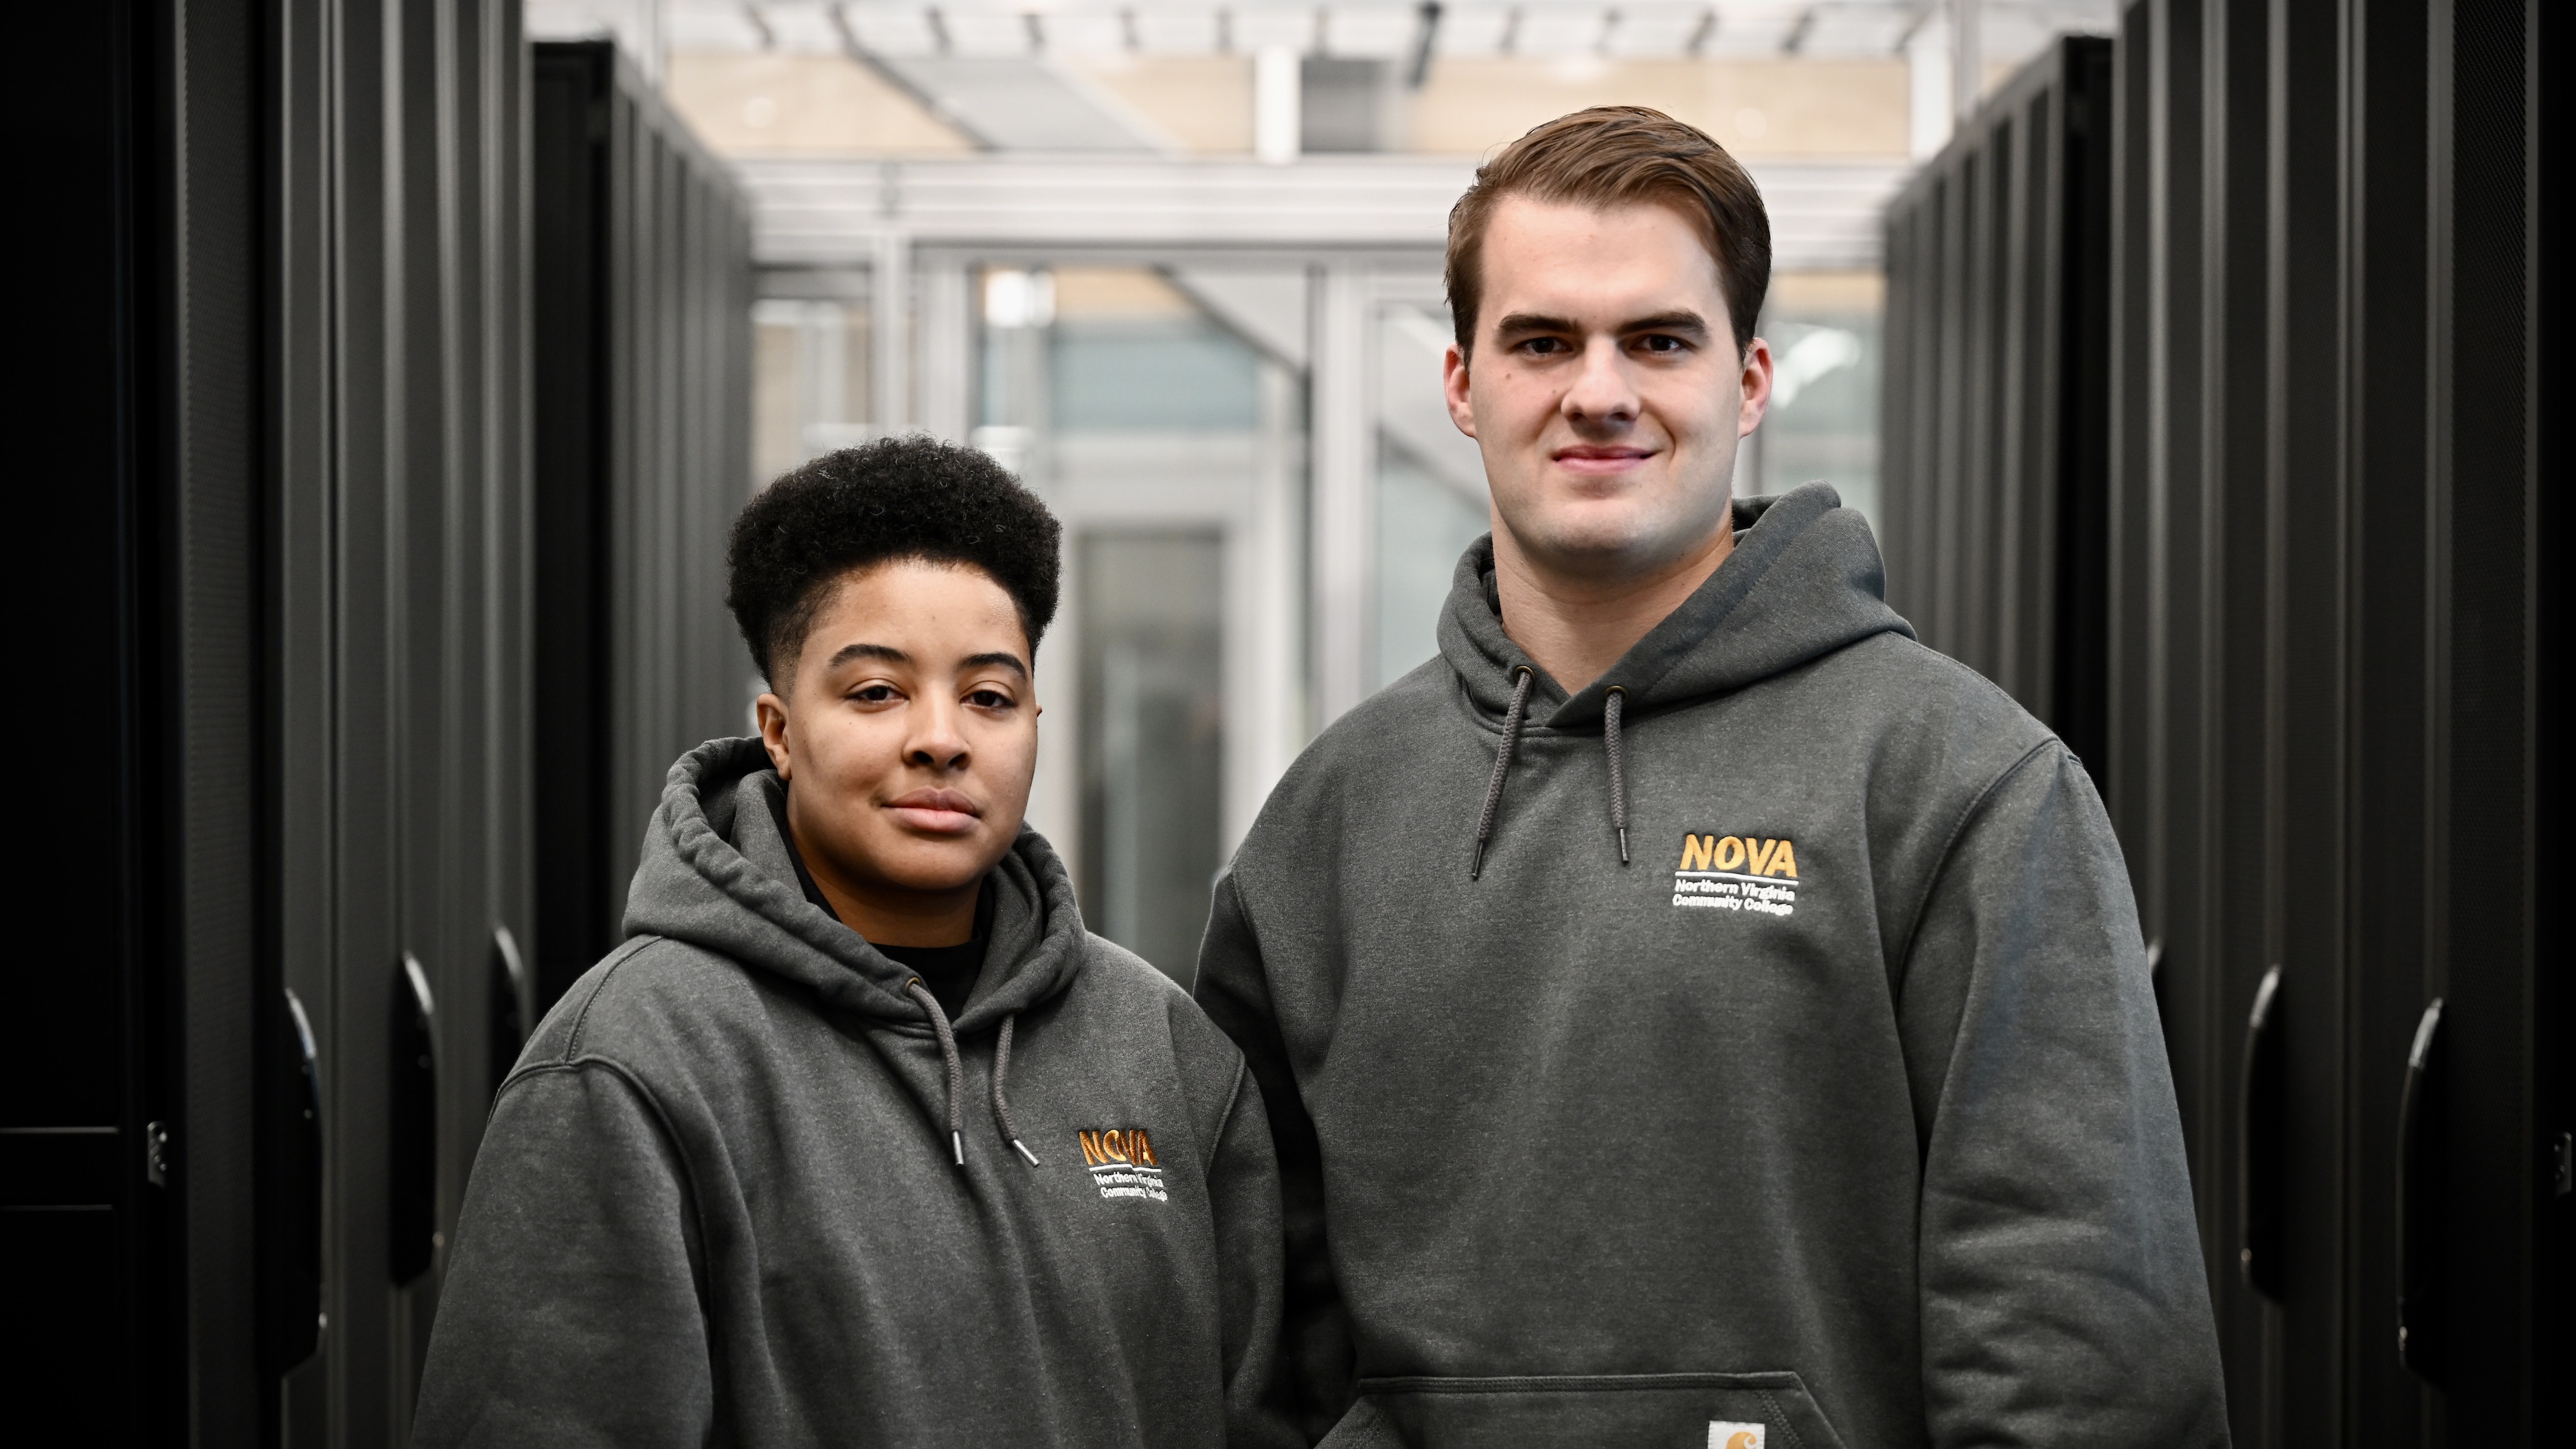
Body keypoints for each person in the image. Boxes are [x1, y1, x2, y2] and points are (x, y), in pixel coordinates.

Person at [1193, 107, 2228, 1447]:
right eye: (1543, 340)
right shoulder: (1331, 817)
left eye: (1660, 340)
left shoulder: (1959, 782)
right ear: (1462, 382)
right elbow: (1251, 1330)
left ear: (1749, 384)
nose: (1601, 390)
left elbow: (2082, 1348)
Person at [415, 438, 1294, 1447]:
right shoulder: (633, 1064)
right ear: (780, 731)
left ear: (1035, 721)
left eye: (988, 696)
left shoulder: (1163, 1052)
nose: (940, 736)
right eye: (877, 691)